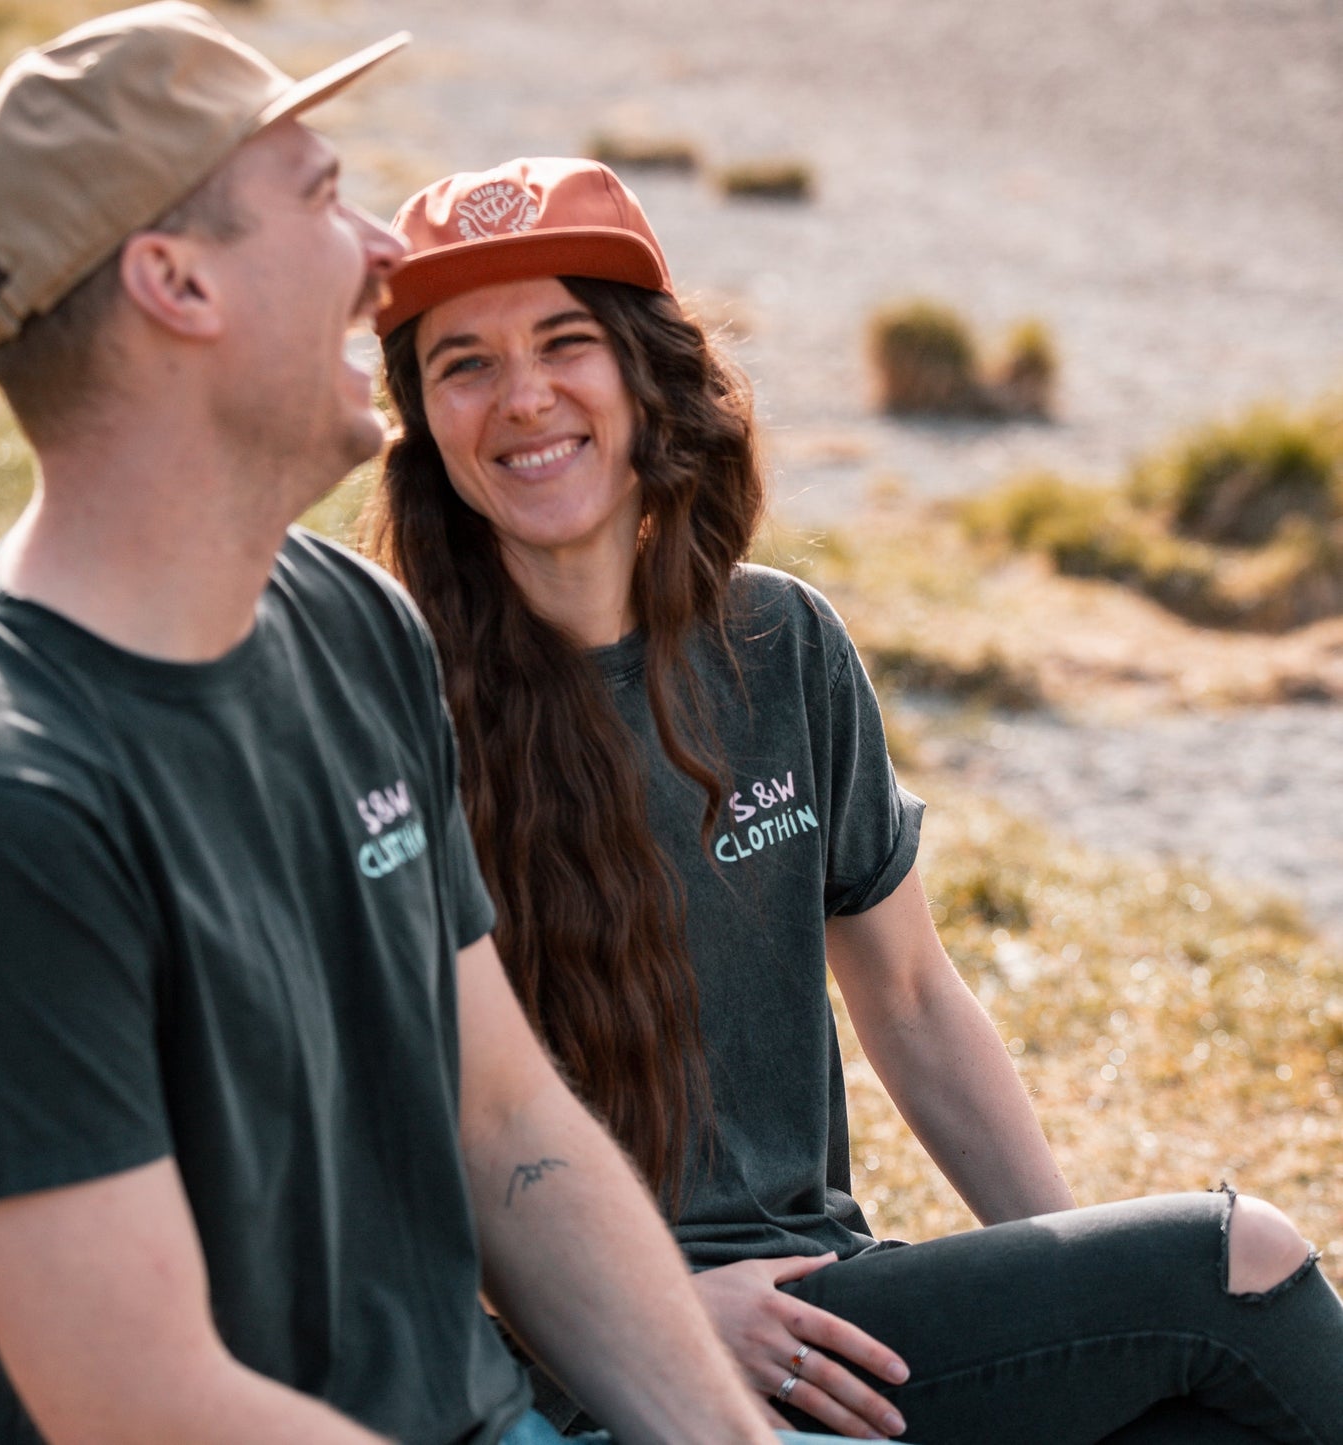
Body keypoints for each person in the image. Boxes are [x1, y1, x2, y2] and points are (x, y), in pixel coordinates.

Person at [0, 11, 825, 1445]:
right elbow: (137, 1402)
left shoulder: (351, 624)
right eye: (324, 198)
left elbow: (509, 1123)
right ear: (176, 282)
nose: (384, 251)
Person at [364, 154, 1343, 1444]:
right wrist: (648, 1314)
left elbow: (915, 996)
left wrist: (1077, 1275)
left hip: (826, 1305)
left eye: (565, 340)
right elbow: (385, 1134)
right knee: (1243, 1265)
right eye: (464, 363)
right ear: (424, 423)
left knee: (1187, 1410)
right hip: (581, 1347)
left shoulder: (777, 644)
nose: (526, 396)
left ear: (647, 375)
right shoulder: (384, 707)